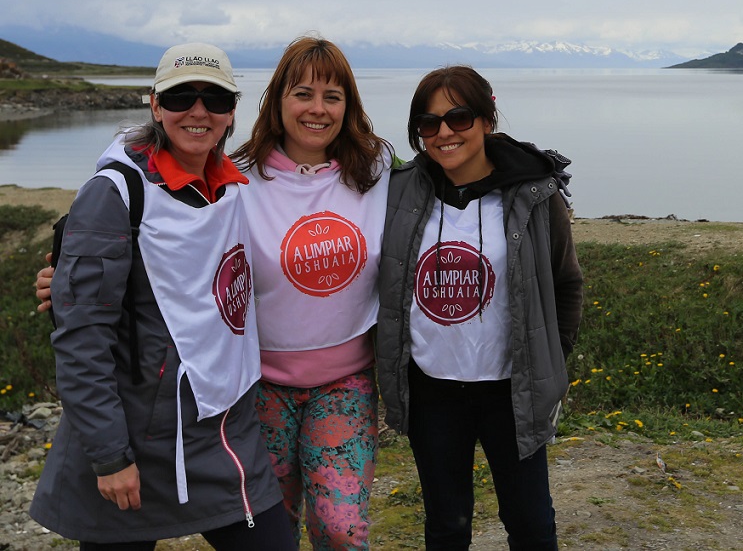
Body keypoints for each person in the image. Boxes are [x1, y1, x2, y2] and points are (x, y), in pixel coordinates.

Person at [34, 36, 390, 549]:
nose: (198, 112)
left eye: (216, 100)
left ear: (232, 111)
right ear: (155, 104)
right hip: (140, 429)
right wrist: (110, 454)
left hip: (221, 424)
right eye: (180, 97)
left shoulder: (229, 187)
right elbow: (83, 330)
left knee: (310, 533)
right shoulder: (124, 190)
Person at [375, 65, 584, 550]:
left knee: (531, 523)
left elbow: (567, 283)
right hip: (432, 390)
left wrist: (552, 355)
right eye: (428, 124)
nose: (444, 132)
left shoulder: (535, 193)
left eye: (459, 117)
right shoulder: (399, 191)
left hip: (510, 390)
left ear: (488, 119)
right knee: (447, 525)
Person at [229, 36, 392, 549]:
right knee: (269, 531)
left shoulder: (378, 169)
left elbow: (453, 183)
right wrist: (77, 270)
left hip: (344, 383)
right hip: (258, 387)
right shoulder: (233, 178)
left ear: (350, 106)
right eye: (303, 93)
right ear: (278, 101)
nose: (318, 109)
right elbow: (174, 244)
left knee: (340, 530)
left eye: (333, 96)